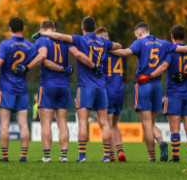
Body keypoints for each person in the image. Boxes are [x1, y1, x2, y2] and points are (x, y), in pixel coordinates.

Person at [112, 22, 187, 162]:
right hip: (157, 86)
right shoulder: (164, 43)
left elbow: (125, 53)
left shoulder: (139, 43)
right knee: (151, 122)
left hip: (143, 84)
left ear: (139, 33)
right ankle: (161, 142)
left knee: (146, 124)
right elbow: (185, 48)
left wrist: (106, 49)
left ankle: (152, 157)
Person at [40, 16, 118, 163]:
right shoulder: (103, 42)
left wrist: (44, 33)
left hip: (85, 86)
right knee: (104, 123)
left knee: (83, 122)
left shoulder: (80, 39)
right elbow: (118, 46)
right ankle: (107, 156)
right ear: (95, 28)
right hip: (101, 87)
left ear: (82, 28)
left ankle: (82, 156)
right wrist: (110, 48)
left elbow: (61, 37)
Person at [0, 17, 45, 162]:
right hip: (21, 89)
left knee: (5, 125)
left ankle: (5, 157)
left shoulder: (5, 44)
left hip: (6, 88)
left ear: (9, 29)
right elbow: (41, 57)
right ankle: (23, 156)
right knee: (23, 124)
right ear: (24, 29)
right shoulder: (30, 46)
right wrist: (27, 67)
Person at [34, 20, 93, 163]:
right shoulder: (64, 40)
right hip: (64, 86)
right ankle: (64, 155)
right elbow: (77, 54)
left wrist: (60, 69)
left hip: (48, 85)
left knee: (46, 123)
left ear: (42, 29)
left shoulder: (41, 40)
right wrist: (93, 65)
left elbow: (45, 61)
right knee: (62, 122)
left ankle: (47, 156)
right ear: (54, 29)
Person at [145, 24, 187, 163]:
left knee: (175, 128)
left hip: (173, 94)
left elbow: (163, 67)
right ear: (184, 36)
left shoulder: (171, 52)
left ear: (172, 37)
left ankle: (175, 157)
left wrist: (150, 76)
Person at [95, 26, 127, 162]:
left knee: (105, 125)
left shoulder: (101, 53)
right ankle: (120, 150)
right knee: (114, 124)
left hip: (107, 92)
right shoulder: (120, 53)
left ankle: (108, 154)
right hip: (120, 91)